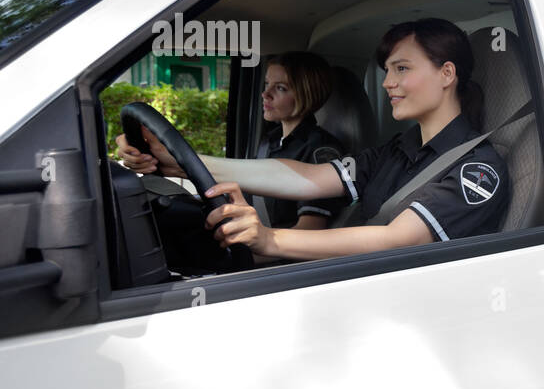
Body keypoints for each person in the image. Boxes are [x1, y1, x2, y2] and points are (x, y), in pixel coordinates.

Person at [116, 18, 510, 262]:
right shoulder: (398, 148)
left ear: (446, 74)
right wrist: (180, 160)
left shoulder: (477, 169)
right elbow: (307, 178)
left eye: (402, 68)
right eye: (387, 70)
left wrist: (269, 239)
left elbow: (396, 240)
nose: (388, 83)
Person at [254, 51, 349, 229]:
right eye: (267, 84)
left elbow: (310, 229)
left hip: (280, 252)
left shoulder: (320, 150)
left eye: (280, 88)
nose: (265, 94)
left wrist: (255, 249)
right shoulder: (271, 140)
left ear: (306, 94)